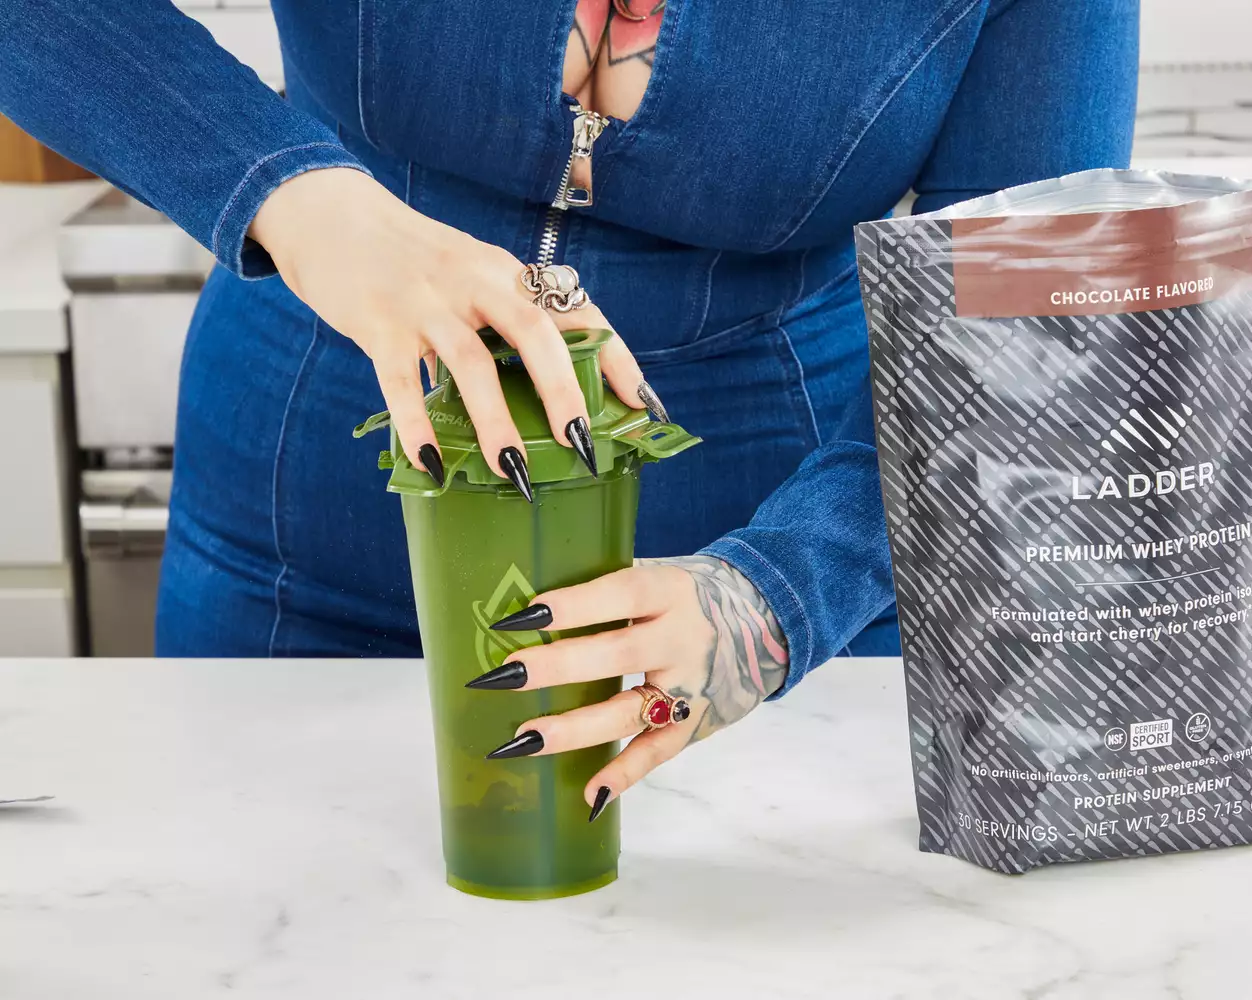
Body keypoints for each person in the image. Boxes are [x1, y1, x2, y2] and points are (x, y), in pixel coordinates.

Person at [1, 0, 1139, 817]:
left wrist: (779, 597)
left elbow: (1016, 323)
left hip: (776, 558)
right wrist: (296, 196)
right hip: (306, 538)